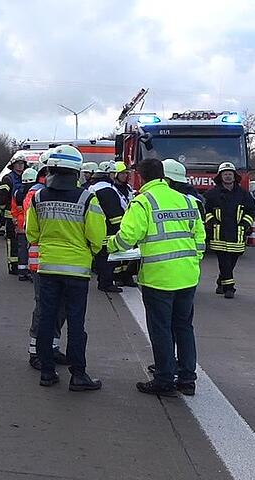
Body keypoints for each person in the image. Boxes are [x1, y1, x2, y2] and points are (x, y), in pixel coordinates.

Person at [109, 159, 204, 396]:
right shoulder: (186, 200)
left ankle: (164, 379)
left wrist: (110, 245)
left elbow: (128, 236)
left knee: (160, 329)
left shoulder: (143, 202)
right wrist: (191, 261)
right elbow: (199, 237)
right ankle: (187, 378)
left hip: (159, 276)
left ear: (140, 177)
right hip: (188, 275)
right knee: (183, 327)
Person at [26, 145, 107, 391]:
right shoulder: (87, 198)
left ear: (51, 169)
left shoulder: (39, 197)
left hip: (48, 268)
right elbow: (97, 234)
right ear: (77, 171)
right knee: (75, 323)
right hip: (77, 271)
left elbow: (32, 234)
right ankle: (78, 374)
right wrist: (89, 252)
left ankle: (47, 373)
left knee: (47, 320)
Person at [24, 151, 69, 369]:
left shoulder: (53, 193)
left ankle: (52, 347)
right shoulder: (37, 193)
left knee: (60, 307)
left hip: (57, 260)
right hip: (40, 260)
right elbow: (32, 229)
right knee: (44, 307)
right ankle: (36, 351)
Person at [203, 162, 255, 299]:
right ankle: (229, 288)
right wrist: (212, 221)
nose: (227, 177)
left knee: (232, 261)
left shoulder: (244, 195)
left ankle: (221, 281)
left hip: (237, 233)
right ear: (220, 176)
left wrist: (245, 224)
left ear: (234, 176)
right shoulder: (212, 194)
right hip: (219, 233)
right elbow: (206, 210)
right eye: (225, 174)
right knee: (224, 261)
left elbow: (252, 211)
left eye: (230, 174)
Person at [88, 161, 125, 293]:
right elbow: (114, 213)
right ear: (109, 174)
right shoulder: (107, 190)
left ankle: (103, 281)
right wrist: (119, 229)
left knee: (101, 256)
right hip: (109, 228)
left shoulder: (95, 187)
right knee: (107, 257)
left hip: (99, 226)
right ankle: (106, 283)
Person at [0, 156, 27, 275]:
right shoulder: (8, 178)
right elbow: (0, 197)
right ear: (13, 165)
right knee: (12, 241)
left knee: (24, 242)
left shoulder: (26, 176)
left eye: (22, 163)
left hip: (24, 216)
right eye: (17, 164)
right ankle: (13, 265)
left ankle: (22, 264)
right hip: (11, 216)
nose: (20, 166)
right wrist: (5, 209)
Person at [11, 167, 38, 282]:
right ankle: (33, 272)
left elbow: (13, 209)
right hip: (32, 225)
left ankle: (22, 272)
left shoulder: (17, 192)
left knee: (22, 249)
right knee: (33, 249)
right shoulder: (36, 192)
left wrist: (16, 220)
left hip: (21, 224)